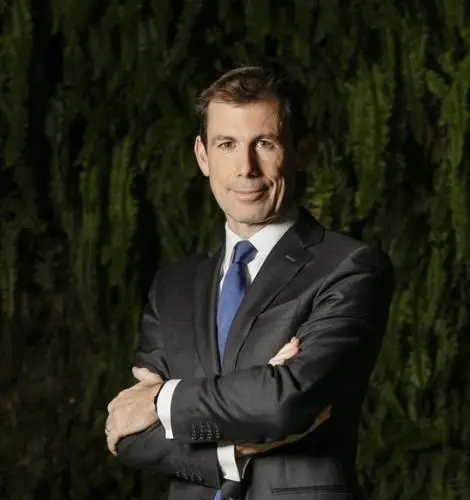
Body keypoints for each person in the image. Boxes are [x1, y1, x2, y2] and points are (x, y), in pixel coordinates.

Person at [105, 66, 394, 500]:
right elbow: (129, 436)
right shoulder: (173, 285)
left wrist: (161, 400)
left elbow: (284, 402)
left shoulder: (350, 267)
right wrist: (233, 449)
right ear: (203, 156)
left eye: (265, 143)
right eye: (227, 144)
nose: (246, 168)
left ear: (302, 152)